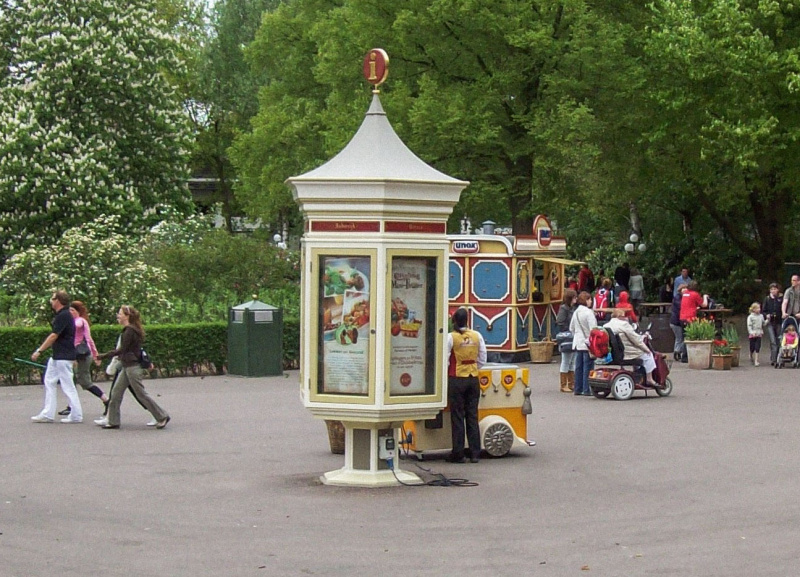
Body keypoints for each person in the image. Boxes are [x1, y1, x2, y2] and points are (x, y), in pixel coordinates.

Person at [95, 305, 169, 430]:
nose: (118, 316)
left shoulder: (129, 331)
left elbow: (122, 349)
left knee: (141, 394)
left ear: (127, 316)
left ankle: (162, 416)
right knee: (116, 393)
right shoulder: (131, 329)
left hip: (132, 367)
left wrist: (103, 356)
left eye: (120, 313)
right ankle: (113, 421)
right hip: (127, 366)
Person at [30, 290, 84, 424]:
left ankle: (76, 414)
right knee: (49, 381)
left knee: (67, 385)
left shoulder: (63, 315)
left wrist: (39, 350)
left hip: (63, 356)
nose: (51, 301)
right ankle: (48, 413)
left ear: (58, 301)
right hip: (58, 356)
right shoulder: (64, 315)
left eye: (52, 299)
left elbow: (54, 335)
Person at [445, 308, 486, 463]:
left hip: (457, 378)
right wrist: (474, 368)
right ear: (467, 320)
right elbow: (483, 357)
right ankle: (475, 452)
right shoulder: (477, 336)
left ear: (454, 320)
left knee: (457, 417)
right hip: (473, 378)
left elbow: (446, 359)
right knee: (472, 415)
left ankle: (458, 452)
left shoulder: (451, 337)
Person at [57, 301, 109, 417]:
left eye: (73, 310)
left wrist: (96, 355)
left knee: (85, 382)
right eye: (69, 310)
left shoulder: (80, 322)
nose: (70, 312)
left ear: (78, 312)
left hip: (83, 355)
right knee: (72, 381)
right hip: (75, 355)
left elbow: (89, 339)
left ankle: (106, 400)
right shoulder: (71, 322)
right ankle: (71, 406)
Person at [604, 309, 659, 387]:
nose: (626, 318)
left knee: (638, 353)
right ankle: (649, 379)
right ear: (619, 316)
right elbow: (636, 340)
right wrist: (647, 349)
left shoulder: (606, 325)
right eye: (624, 316)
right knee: (648, 356)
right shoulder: (624, 325)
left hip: (614, 353)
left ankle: (637, 375)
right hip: (626, 352)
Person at [569, 291, 597, 397]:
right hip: (588, 343)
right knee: (588, 366)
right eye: (589, 299)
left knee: (579, 366)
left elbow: (571, 328)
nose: (591, 301)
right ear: (586, 300)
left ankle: (577, 388)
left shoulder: (576, 312)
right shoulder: (589, 313)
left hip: (578, 342)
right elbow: (593, 330)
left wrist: (577, 335)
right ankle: (587, 389)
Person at [556, 289, 577, 393]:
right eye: (574, 297)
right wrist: (568, 329)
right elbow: (560, 322)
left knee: (572, 360)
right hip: (567, 337)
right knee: (565, 361)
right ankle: (563, 385)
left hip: (572, 336)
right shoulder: (564, 309)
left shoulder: (572, 308)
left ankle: (571, 383)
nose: (575, 299)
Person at [762, 283, 783, 366]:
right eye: (772, 289)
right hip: (770, 322)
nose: (773, 291)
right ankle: (773, 359)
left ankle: (779, 357)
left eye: (775, 289)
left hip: (779, 322)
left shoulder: (781, 298)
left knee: (779, 340)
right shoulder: (767, 299)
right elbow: (764, 310)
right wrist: (766, 315)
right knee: (773, 341)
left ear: (778, 290)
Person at [670, 284, 688, 362]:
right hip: (676, 322)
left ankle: (677, 351)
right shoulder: (678, 298)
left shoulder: (677, 297)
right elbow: (682, 306)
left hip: (675, 321)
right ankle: (677, 351)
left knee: (678, 338)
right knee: (680, 338)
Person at [747, 302, 764, 366]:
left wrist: (767, 320)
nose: (759, 309)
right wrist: (751, 332)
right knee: (752, 347)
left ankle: (756, 360)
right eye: (757, 308)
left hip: (759, 333)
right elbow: (749, 326)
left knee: (757, 347)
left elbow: (763, 323)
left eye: (759, 308)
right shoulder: (750, 317)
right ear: (753, 309)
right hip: (753, 334)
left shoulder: (761, 316)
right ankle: (751, 354)